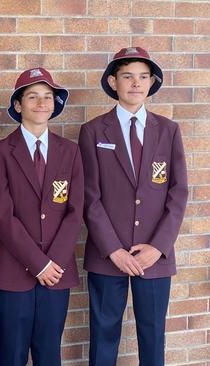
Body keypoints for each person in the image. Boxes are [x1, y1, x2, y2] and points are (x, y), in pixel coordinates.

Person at [78, 47, 188, 365]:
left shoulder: (168, 131)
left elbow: (178, 193)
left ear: (151, 82)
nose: (135, 83)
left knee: (153, 337)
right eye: (127, 76)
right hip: (107, 255)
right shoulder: (94, 131)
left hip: (154, 256)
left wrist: (158, 247)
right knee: (104, 334)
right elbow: (90, 197)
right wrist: (113, 249)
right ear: (113, 82)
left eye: (143, 77)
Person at [0, 68, 83, 365]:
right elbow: (2, 215)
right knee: (13, 355)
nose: (41, 103)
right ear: (18, 105)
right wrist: (38, 263)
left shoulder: (70, 152)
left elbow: (74, 212)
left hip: (57, 272)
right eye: (32, 97)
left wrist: (52, 262)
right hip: (14, 273)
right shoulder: (1, 151)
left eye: (47, 97)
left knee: (49, 354)